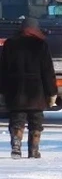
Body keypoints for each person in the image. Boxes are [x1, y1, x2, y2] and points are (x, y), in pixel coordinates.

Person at [0, 17, 57, 159]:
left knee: (17, 120)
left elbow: (2, 69)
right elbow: (47, 72)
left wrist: (2, 90)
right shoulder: (41, 45)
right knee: (36, 122)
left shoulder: (9, 44)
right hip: (36, 92)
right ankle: (33, 150)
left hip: (15, 91)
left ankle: (16, 144)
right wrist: (52, 93)